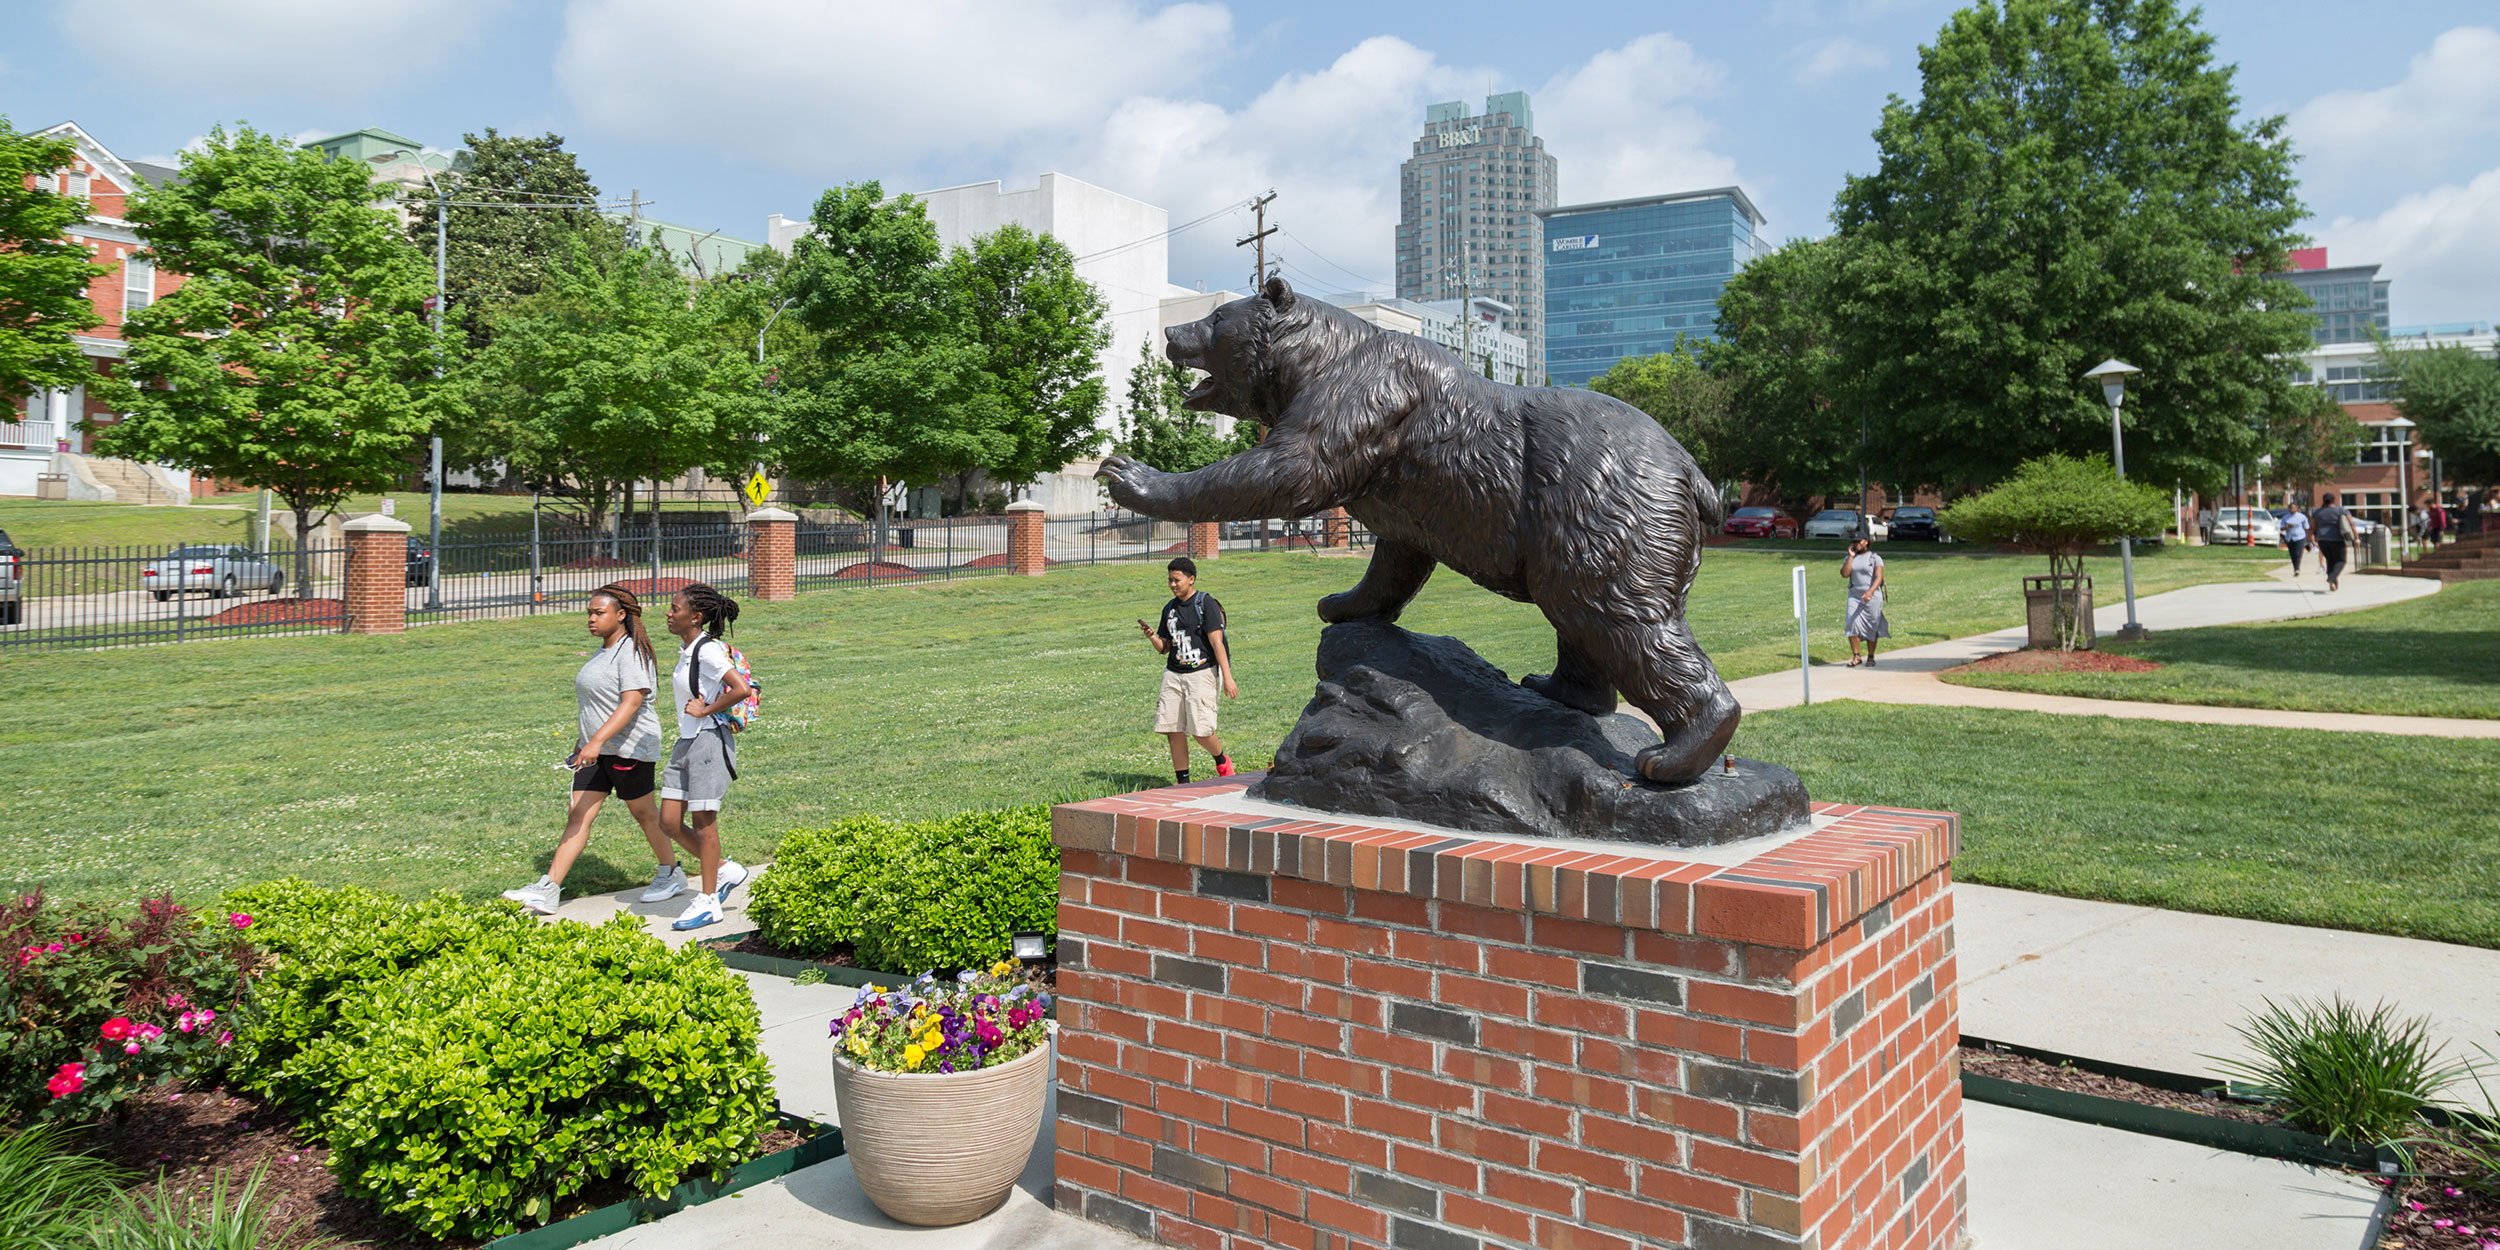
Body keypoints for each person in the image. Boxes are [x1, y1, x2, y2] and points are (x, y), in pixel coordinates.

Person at [504, 584, 673, 916]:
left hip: (630, 748)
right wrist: (584, 742)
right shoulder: (603, 651)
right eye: (589, 614)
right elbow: (598, 702)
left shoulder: (632, 652)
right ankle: (549, 888)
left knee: (644, 814)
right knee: (578, 815)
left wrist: (596, 741)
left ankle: (670, 872)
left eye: (599, 613)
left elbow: (632, 702)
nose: (591, 619)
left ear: (621, 615)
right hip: (596, 751)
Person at [656, 583, 755, 931]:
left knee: (703, 823)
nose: (668, 613)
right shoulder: (687, 650)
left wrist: (706, 709)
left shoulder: (708, 651)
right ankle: (725, 869)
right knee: (667, 822)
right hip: (685, 743)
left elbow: (741, 688)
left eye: (674, 609)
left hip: (709, 742)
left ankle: (709, 900)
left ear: (695, 617)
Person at [1139, 557, 1237, 783]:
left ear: (1191, 579)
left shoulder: (1206, 603)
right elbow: (1164, 647)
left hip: (1201, 673)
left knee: (1201, 729)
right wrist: (1152, 636)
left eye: (1177, 580)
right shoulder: (1169, 609)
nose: (1173, 585)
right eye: (1169, 580)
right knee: (1172, 727)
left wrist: (1228, 678)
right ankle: (1182, 781)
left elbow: (1217, 643)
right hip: (1173, 674)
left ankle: (1221, 759)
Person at [1842, 536, 1889, 666]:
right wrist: (1851, 557)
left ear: (1866, 542)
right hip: (1854, 596)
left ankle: (1871, 656)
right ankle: (1856, 656)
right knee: (1851, 623)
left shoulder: (1875, 558)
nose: (1856, 544)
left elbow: (1878, 578)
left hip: (1872, 596)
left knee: (1872, 626)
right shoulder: (1849, 558)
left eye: (1859, 541)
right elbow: (1844, 574)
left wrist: (1870, 592)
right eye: (1854, 541)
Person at [2311, 493, 2353, 592]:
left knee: (2330, 560)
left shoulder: (2317, 512)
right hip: (2337, 539)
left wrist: (2312, 539)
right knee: (2341, 561)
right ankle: (2331, 578)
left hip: (2322, 539)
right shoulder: (2341, 510)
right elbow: (2351, 523)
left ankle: (2333, 583)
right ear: (2334, 500)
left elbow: (2312, 527)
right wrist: (2356, 538)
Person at [2279, 503, 2311, 577]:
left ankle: (2297, 569)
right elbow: (2281, 528)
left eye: (2293, 508)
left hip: (2300, 537)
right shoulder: (2285, 517)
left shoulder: (2302, 517)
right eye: (2290, 508)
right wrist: (2287, 527)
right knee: (2292, 554)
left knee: (2298, 553)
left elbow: (2307, 527)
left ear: (2297, 508)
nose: (2292, 509)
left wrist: (2308, 537)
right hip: (2290, 537)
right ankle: (2295, 567)